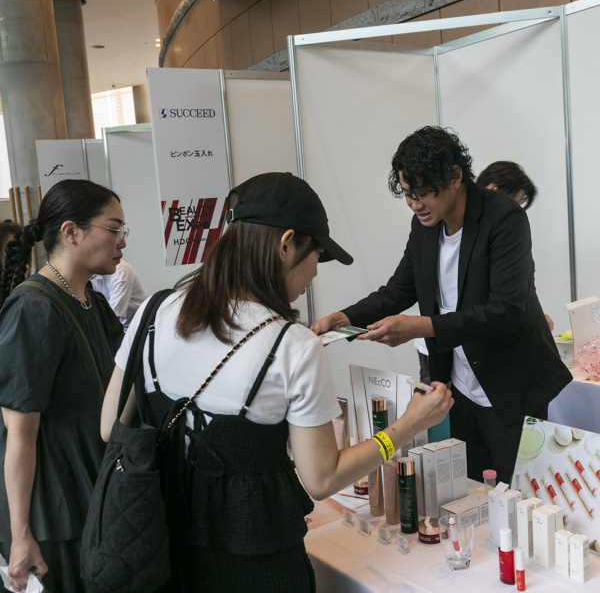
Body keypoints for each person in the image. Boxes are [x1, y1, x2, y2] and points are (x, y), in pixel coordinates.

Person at [101, 172, 453, 592]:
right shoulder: (292, 345)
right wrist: (408, 426)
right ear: (286, 244)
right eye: (316, 255)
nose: (315, 273)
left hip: (162, 551)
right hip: (255, 566)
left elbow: (110, 427)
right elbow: (321, 479)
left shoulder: (155, 310)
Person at [311, 127, 572, 484]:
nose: (414, 204)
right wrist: (345, 317)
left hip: (512, 385)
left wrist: (421, 327)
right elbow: (399, 289)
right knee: (472, 490)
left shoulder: (504, 217)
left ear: (454, 177)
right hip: (458, 385)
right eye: (407, 193)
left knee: (521, 494)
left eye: (422, 193)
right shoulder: (425, 226)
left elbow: (506, 310)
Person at [0, 180, 126, 592]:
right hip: (53, 509)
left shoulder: (93, 302)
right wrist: (20, 534)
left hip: (90, 490)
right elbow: (19, 434)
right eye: (114, 229)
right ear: (71, 232)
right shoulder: (33, 308)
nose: (122, 241)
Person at [414, 160, 549, 381]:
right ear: (494, 190)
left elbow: (514, 293)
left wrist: (530, 315)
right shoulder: (437, 225)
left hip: (473, 348)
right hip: (443, 347)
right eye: (515, 202)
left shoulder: (504, 227)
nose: (416, 204)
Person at [91, 258, 148, 330]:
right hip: (122, 326)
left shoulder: (120, 272)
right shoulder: (93, 273)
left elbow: (113, 319)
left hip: (137, 327)